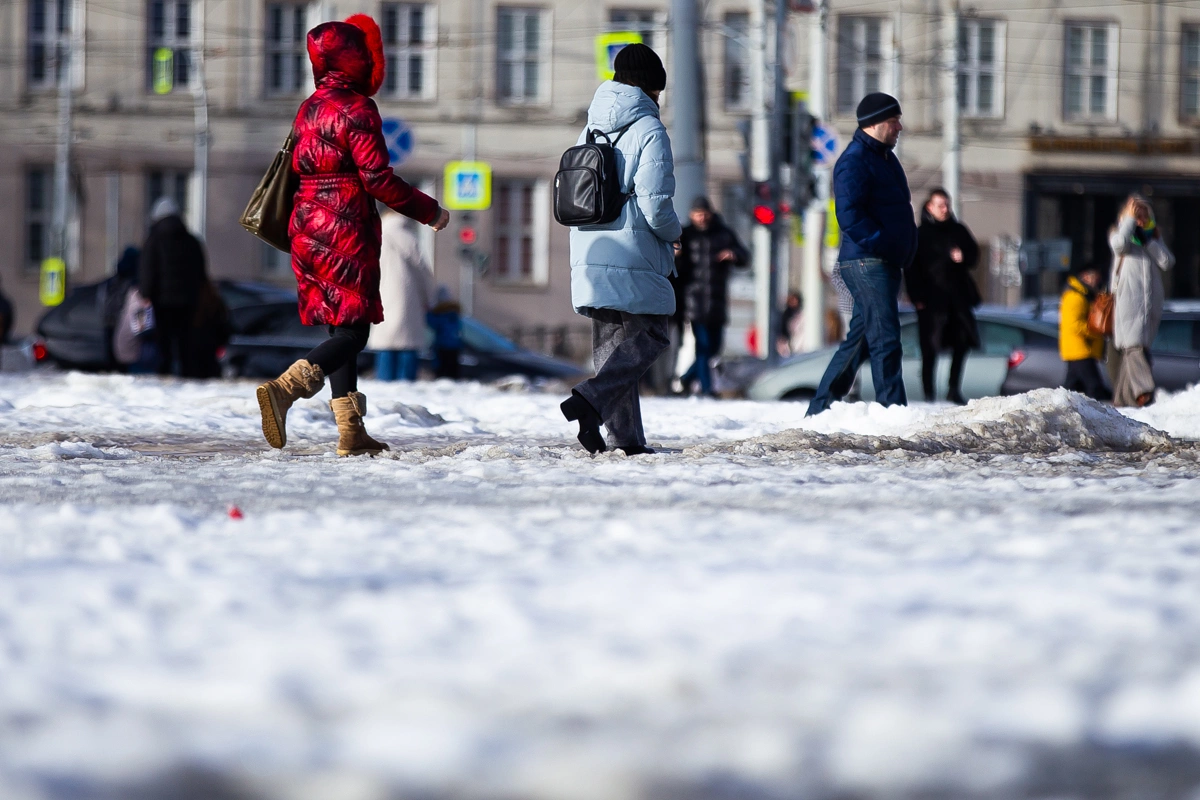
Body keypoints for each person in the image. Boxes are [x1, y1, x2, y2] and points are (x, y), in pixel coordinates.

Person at [255, 14, 449, 456]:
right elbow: (377, 178)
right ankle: (288, 387)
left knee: (341, 327)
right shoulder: (358, 108)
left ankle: (351, 432)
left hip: (306, 224)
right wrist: (429, 210)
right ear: (354, 58)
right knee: (354, 334)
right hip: (343, 222)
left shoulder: (309, 108)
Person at [559, 43, 681, 455]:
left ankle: (623, 439)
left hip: (591, 246)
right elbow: (655, 204)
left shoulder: (589, 128)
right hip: (632, 249)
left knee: (611, 347)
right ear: (651, 88)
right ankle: (590, 399)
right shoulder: (649, 130)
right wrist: (673, 233)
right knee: (651, 333)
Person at [806, 92, 917, 416]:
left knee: (862, 339)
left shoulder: (884, 157)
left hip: (882, 260)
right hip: (867, 261)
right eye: (894, 121)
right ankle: (893, 411)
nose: (899, 127)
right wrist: (882, 243)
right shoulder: (855, 159)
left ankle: (820, 410)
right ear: (875, 124)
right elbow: (850, 214)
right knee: (886, 338)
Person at [906, 188, 981, 405]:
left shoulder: (958, 230)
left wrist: (963, 257)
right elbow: (911, 268)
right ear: (929, 207)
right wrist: (917, 296)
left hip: (957, 298)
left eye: (947, 205)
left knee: (962, 343)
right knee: (930, 349)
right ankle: (928, 395)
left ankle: (953, 389)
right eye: (940, 205)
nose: (945, 209)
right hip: (931, 301)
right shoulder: (921, 234)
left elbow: (974, 255)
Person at [676, 196, 749, 396]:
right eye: (697, 214)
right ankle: (707, 390)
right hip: (694, 300)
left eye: (704, 213)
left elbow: (745, 256)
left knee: (714, 348)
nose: (701, 218)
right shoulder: (685, 235)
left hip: (717, 299)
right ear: (692, 215)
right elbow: (674, 266)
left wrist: (733, 254)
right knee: (703, 346)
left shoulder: (723, 233)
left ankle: (687, 378)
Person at [1109, 194, 1174, 407]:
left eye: (1144, 213)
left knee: (1138, 348)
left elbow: (1166, 261)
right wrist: (1128, 222)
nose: (1141, 218)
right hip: (1129, 302)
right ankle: (1145, 390)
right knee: (1134, 346)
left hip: (1150, 305)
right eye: (1137, 213)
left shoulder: (1152, 237)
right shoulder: (1120, 235)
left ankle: (1122, 400)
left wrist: (1149, 241)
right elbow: (1119, 244)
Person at [140, 197, 207, 377]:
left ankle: (165, 373)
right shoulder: (192, 241)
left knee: (164, 340)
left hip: (162, 300)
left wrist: (146, 293)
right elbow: (201, 272)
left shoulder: (153, 241)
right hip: (188, 300)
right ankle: (187, 373)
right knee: (185, 339)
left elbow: (148, 269)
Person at [368, 211, 436, 381]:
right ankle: (405, 386)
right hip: (407, 299)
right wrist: (430, 299)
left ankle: (384, 384)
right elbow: (423, 273)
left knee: (386, 346)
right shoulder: (408, 238)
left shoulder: (374, 235)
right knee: (407, 345)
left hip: (381, 296)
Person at [1058, 264, 1111, 401]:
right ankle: (1100, 417)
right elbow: (1074, 324)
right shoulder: (1075, 296)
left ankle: (1063, 409)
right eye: (1094, 277)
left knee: (1072, 388)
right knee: (1094, 387)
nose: (1097, 280)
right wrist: (1096, 332)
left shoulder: (1084, 294)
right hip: (1080, 349)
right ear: (1084, 276)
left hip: (1080, 349)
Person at [426, 287, 462, 380]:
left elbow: (432, 322)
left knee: (442, 375)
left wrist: (428, 311)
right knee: (452, 374)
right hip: (455, 348)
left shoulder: (441, 315)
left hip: (443, 347)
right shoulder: (455, 315)